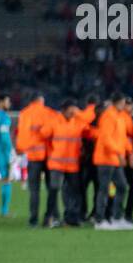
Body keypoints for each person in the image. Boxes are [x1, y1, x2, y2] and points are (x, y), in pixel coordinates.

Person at [45, 97, 95, 227]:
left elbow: (90, 132)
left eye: (75, 109)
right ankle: (50, 217)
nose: (73, 111)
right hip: (57, 163)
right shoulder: (54, 121)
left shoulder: (77, 121)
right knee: (54, 190)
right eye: (71, 109)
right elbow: (44, 134)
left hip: (72, 164)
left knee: (75, 191)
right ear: (64, 110)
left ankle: (72, 218)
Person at [92, 92, 133, 230]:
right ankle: (99, 220)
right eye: (123, 103)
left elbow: (122, 138)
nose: (125, 105)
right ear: (118, 103)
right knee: (103, 189)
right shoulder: (109, 116)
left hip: (114, 159)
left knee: (122, 186)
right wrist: (119, 154)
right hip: (105, 159)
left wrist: (129, 152)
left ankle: (116, 218)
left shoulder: (119, 116)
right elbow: (106, 138)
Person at [14, 92, 53, 226]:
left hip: (32, 156)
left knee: (34, 190)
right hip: (48, 156)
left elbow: (22, 135)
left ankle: (33, 220)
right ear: (41, 100)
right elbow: (49, 132)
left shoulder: (24, 113)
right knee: (51, 189)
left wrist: (20, 149)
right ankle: (50, 219)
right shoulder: (48, 112)